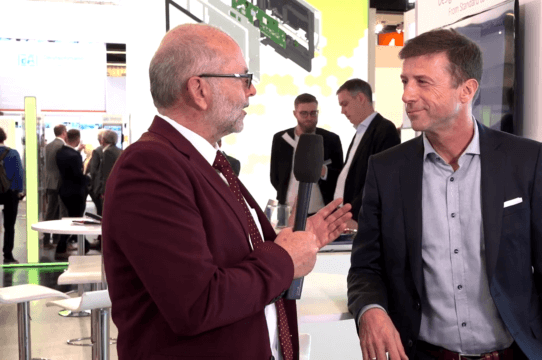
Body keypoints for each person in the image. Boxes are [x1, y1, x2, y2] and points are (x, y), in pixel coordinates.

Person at [102, 23, 352, 360]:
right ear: (199, 90)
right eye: (243, 79)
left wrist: (299, 241)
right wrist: (285, 258)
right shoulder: (149, 167)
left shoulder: (202, 162)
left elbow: (231, 257)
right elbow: (197, 302)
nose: (251, 92)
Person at [347, 29, 542, 360]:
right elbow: (365, 267)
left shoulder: (525, 162)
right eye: (405, 82)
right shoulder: (387, 170)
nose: (407, 95)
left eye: (423, 82)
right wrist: (370, 309)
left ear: (466, 90)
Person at [334, 79, 400, 227]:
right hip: (347, 218)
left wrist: (355, 215)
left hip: (362, 220)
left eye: (345, 104)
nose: (342, 111)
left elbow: (381, 180)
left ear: (361, 98)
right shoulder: (360, 131)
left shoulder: (384, 129)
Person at [271, 93, 343, 215]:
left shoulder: (331, 140)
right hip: (288, 210)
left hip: (322, 211)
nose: (309, 118)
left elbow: (340, 176)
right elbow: (275, 176)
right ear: (295, 114)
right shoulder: (281, 139)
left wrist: (323, 171)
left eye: (313, 113)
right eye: (303, 113)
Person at [55, 129, 89, 258]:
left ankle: (82, 244)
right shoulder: (75, 156)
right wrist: (88, 178)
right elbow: (77, 175)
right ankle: (62, 247)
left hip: (65, 190)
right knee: (76, 218)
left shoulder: (61, 152)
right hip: (76, 192)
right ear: (78, 139)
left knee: (73, 218)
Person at [0, 128, 24, 264]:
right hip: (10, 193)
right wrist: (19, 191)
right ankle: (8, 255)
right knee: (10, 225)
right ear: (4, 137)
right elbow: (19, 174)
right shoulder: (13, 153)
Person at [43, 124, 67, 248]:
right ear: (64, 133)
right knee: (55, 212)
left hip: (49, 182)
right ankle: (49, 240)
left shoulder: (48, 146)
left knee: (52, 211)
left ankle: (51, 239)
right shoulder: (62, 146)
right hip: (59, 183)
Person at [86, 130, 105, 215]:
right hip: (106, 187)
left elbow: (93, 171)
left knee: (100, 211)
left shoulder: (97, 151)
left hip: (98, 187)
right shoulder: (117, 151)